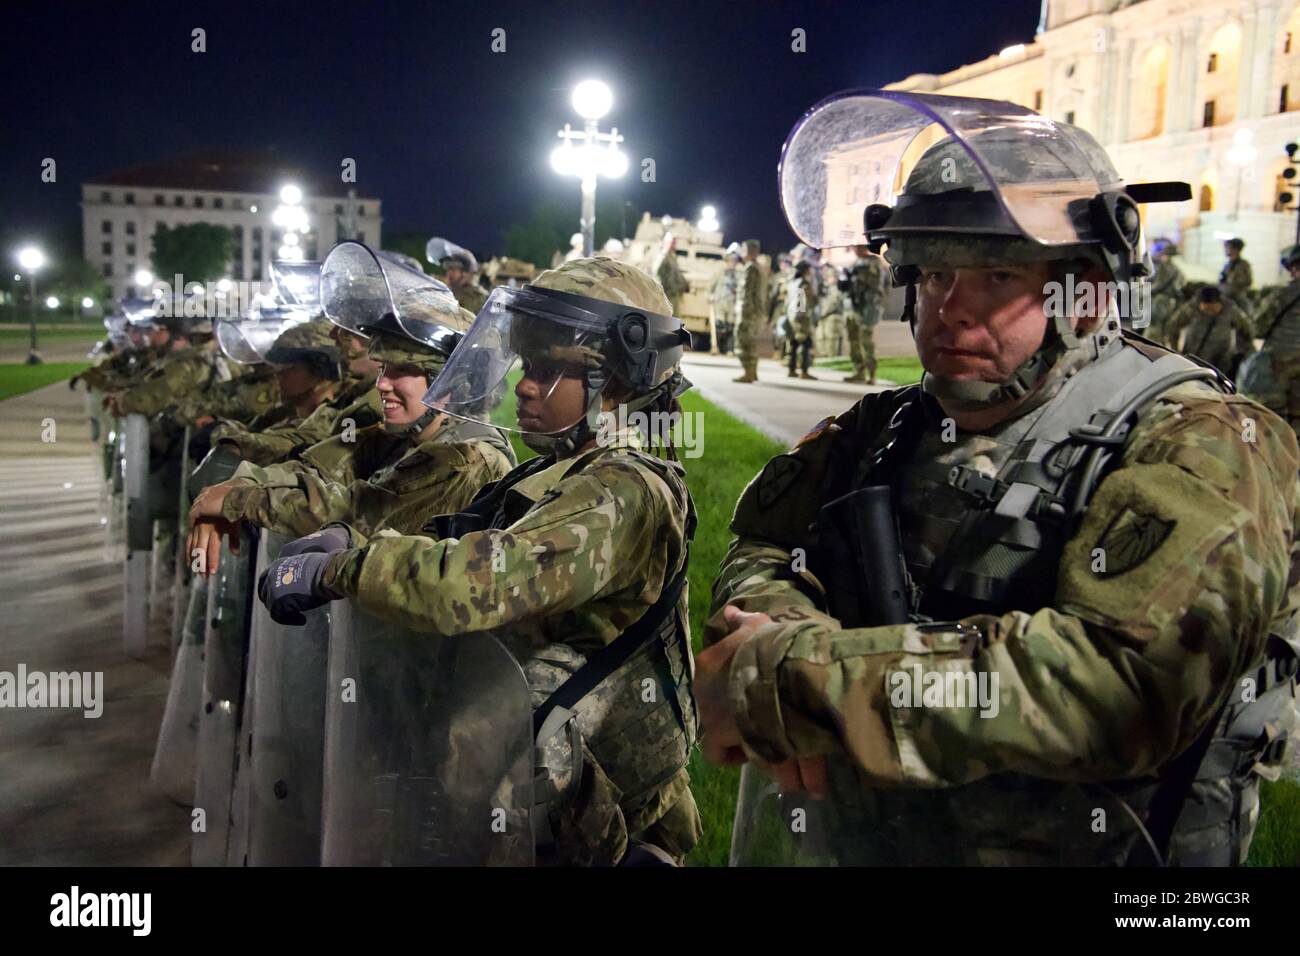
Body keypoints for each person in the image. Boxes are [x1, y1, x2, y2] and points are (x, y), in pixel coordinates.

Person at [695, 90, 1299, 866]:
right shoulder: (883, 429)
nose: (949, 311)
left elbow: (1120, 685)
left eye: (995, 280)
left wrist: (809, 683)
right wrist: (775, 620)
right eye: (934, 275)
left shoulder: (1204, 441)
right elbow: (765, 544)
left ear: (1083, 294)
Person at [258, 257, 702, 866]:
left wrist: (347, 568)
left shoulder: (630, 490)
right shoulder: (555, 472)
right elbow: (452, 543)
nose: (523, 384)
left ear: (620, 380)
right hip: (527, 799)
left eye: (549, 371)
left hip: (601, 835)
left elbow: (480, 583)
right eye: (527, 364)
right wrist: (346, 536)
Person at [187, 241, 515, 567]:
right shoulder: (398, 437)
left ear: (450, 381)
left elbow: (360, 511)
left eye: (401, 370)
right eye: (383, 368)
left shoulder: (468, 458)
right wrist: (238, 485)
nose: (381, 384)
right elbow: (315, 467)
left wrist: (240, 500)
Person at [1239, 244, 1300, 436]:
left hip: (1279, 362)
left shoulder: (1283, 294)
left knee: (1270, 416)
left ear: (1293, 269)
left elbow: (1258, 327)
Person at [1168, 284, 1255, 376]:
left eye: (1213, 308)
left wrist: (1243, 352)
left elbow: (1247, 330)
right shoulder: (1192, 308)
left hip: (1221, 362)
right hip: (1193, 360)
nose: (1210, 312)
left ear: (1220, 302)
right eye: (1207, 309)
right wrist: (1175, 350)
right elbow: (1173, 326)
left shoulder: (1230, 309)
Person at [841, 244, 885, 384]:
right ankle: (858, 371)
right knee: (853, 340)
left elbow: (876, 284)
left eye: (857, 247)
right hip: (853, 307)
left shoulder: (872, 262)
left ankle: (871, 374)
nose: (854, 250)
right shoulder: (856, 263)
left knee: (866, 340)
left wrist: (859, 277)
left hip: (867, 307)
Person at [428, 236, 488, 313]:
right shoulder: (451, 290)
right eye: (448, 269)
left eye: (453, 269)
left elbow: (460, 319)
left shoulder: (476, 296)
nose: (449, 273)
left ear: (465, 273)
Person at [733, 239, 764, 382]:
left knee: (743, 340)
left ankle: (748, 372)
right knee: (751, 341)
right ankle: (752, 372)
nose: (742, 253)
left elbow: (747, 293)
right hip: (754, 312)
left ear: (750, 252)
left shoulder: (750, 268)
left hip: (747, 312)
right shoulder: (758, 268)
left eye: (744, 250)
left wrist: (742, 313)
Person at [1146, 237, 1186, 347]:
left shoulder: (1164, 267)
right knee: (1165, 330)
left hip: (1160, 301)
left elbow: (1158, 284)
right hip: (1171, 302)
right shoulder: (1178, 270)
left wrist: (1145, 291)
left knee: (1154, 329)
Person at [785, 260, 815, 379]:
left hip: (791, 315)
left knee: (794, 343)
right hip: (800, 317)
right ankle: (804, 371)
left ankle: (791, 369)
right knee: (805, 344)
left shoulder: (792, 282)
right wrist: (801, 317)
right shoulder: (803, 283)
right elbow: (801, 301)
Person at [709, 246, 740, 355]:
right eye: (731, 261)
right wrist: (710, 295)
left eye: (734, 261)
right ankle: (715, 346)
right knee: (719, 325)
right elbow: (711, 285)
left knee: (731, 327)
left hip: (732, 304)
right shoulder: (719, 273)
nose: (732, 263)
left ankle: (729, 349)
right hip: (720, 303)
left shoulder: (738, 275)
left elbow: (740, 289)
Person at [654, 233, 689, 319]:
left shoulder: (672, 257)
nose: (674, 244)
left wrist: (684, 284)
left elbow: (676, 273)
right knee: (666, 319)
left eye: (674, 242)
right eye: (672, 242)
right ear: (666, 243)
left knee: (674, 318)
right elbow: (657, 271)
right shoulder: (663, 256)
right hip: (666, 294)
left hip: (674, 294)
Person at [1220, 237, 1253, 306]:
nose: (1225, 250)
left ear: (1235, 249)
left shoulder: (1243, 265)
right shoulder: (1227, 265)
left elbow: (1248, 281)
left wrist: (1232, 279)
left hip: (1237, 298)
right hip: (1225, 296)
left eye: (1228, 247)